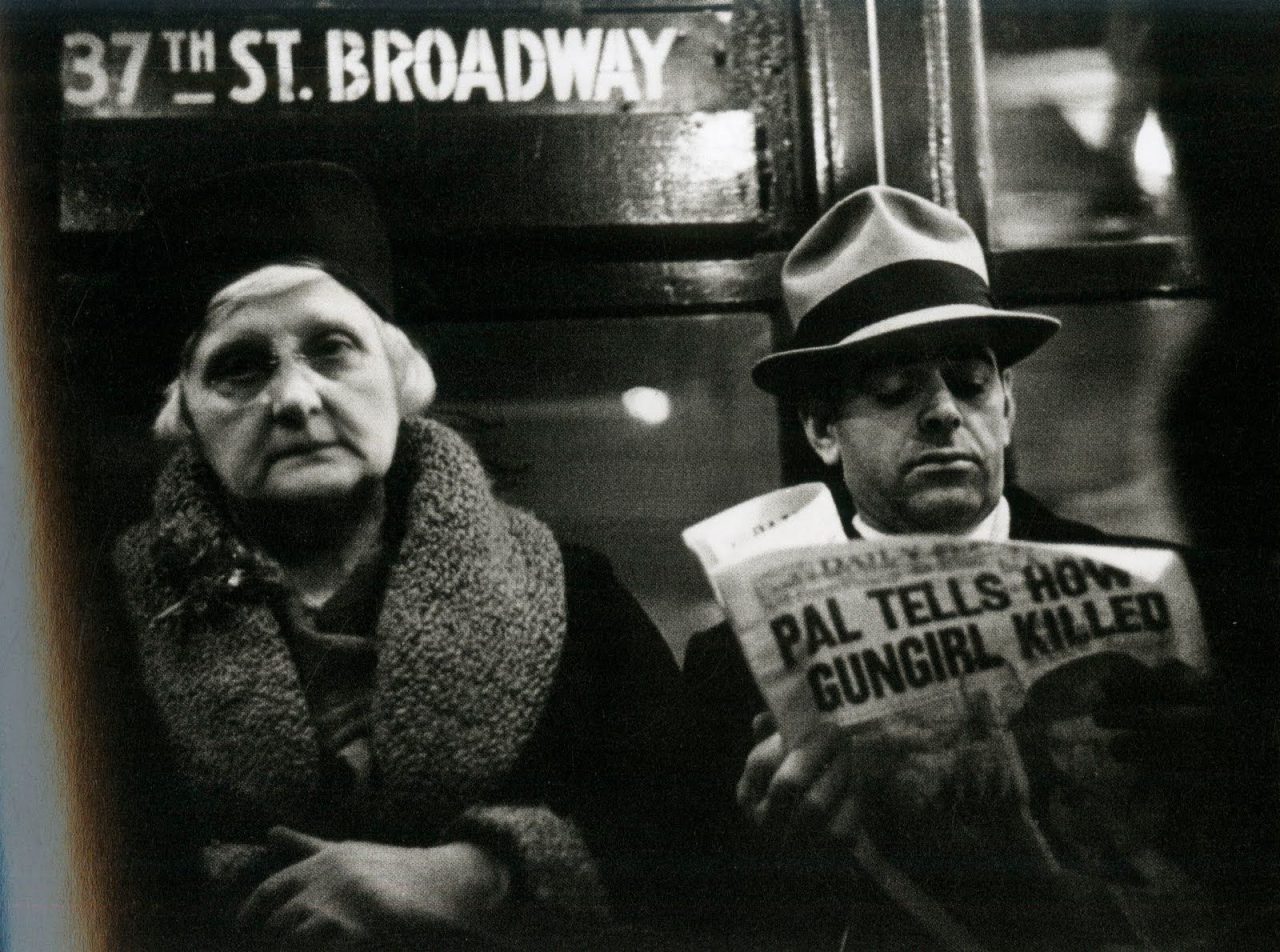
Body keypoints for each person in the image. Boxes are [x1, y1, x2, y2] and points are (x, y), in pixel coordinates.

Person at [107, 161, 701, 951]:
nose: (295, 399)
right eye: (240, 367)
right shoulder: (94, 619)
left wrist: (483, 877)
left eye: (332, 349)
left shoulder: (572, 593)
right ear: (184, 415)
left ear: (398, 374)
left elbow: (697, 859)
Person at [682, 185, 1226, 950]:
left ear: (1008, 405)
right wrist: (785, 859)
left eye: (970, 382)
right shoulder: (728, 669)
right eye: (894, 387)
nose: (942, 412)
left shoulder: (1169, 590)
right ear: (820, 429)